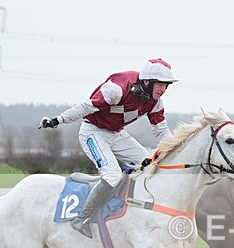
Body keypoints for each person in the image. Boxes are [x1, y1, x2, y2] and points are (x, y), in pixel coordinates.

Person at [39, 58, 178, 238]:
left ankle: (131, 211)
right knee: (112, 175)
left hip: (116, 134)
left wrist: (176, 152)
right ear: (146, 81)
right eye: (160, 84)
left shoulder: (155, 101)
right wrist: (59, 119)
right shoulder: (117, 89)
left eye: (166, 85)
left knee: (149, 165)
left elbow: (161, 130)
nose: (163, 89)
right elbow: (86, 107)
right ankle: (82, 219)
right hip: (93, 132)